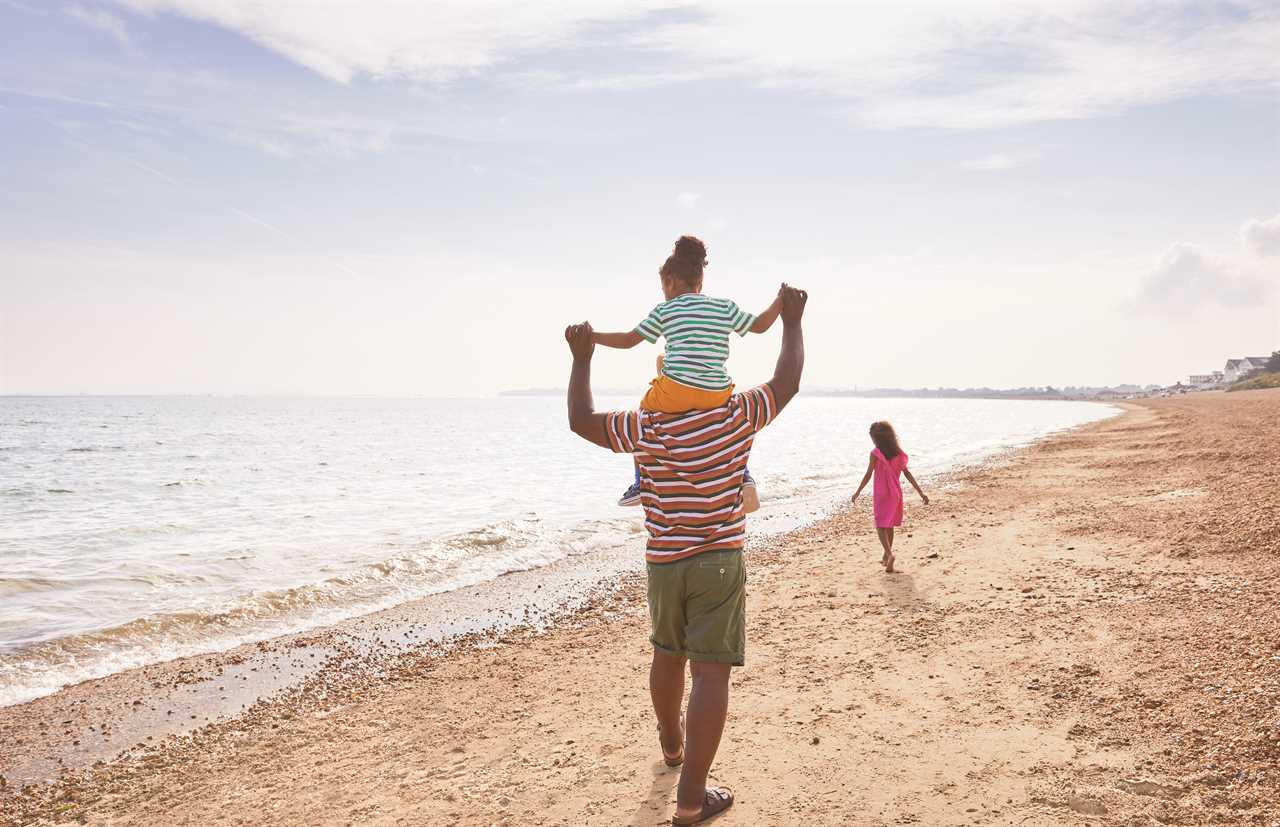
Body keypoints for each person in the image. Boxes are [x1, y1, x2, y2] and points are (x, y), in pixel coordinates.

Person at [564, 283, 808, 826]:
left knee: (666, 654)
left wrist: (582, 360)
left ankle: (673, 747)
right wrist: (791, 320)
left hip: (664, 560)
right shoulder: (736, 414)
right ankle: (692, 798)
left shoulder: (648, 424)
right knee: (712, 673)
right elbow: (787, 381)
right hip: (719, 556)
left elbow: (582, 420)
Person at [589, 235, 783, 510]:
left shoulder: (666, 309)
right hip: (717, 393)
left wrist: (593, 337)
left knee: (643, 418)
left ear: (669, 282)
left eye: (663, 287)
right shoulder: (723, 306)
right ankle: (744, 475)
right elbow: (761, 325)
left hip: (677, 392)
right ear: (700, 282)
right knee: (729, 421)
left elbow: (629, 340)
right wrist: (779, 301)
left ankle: (640, 482)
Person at [850, 420, 929, 573]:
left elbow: (868, 474)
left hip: (881, 494)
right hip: (895, 494)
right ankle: (886, 556)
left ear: (877, 438)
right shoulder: (898, 453)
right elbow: (907, 474)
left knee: (880, 526)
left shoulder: (875, 454)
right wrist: (921, 493)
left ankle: (890, 554)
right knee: (890, 524)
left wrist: (858, 491)